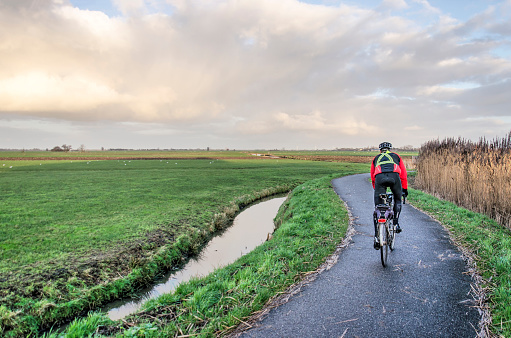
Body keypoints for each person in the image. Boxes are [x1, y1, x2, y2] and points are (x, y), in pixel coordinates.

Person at [370, 142, 408, 249]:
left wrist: (376, 190)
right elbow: (403, 175)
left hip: (379, 178)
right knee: (397, 199)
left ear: (380, 150)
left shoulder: (376, 158)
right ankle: (395, 223)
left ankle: (377, 236)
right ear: (390, 149)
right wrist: (404, 189)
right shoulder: (396, 156)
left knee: (377, 208)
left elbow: (373, 176)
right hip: (394, 177)